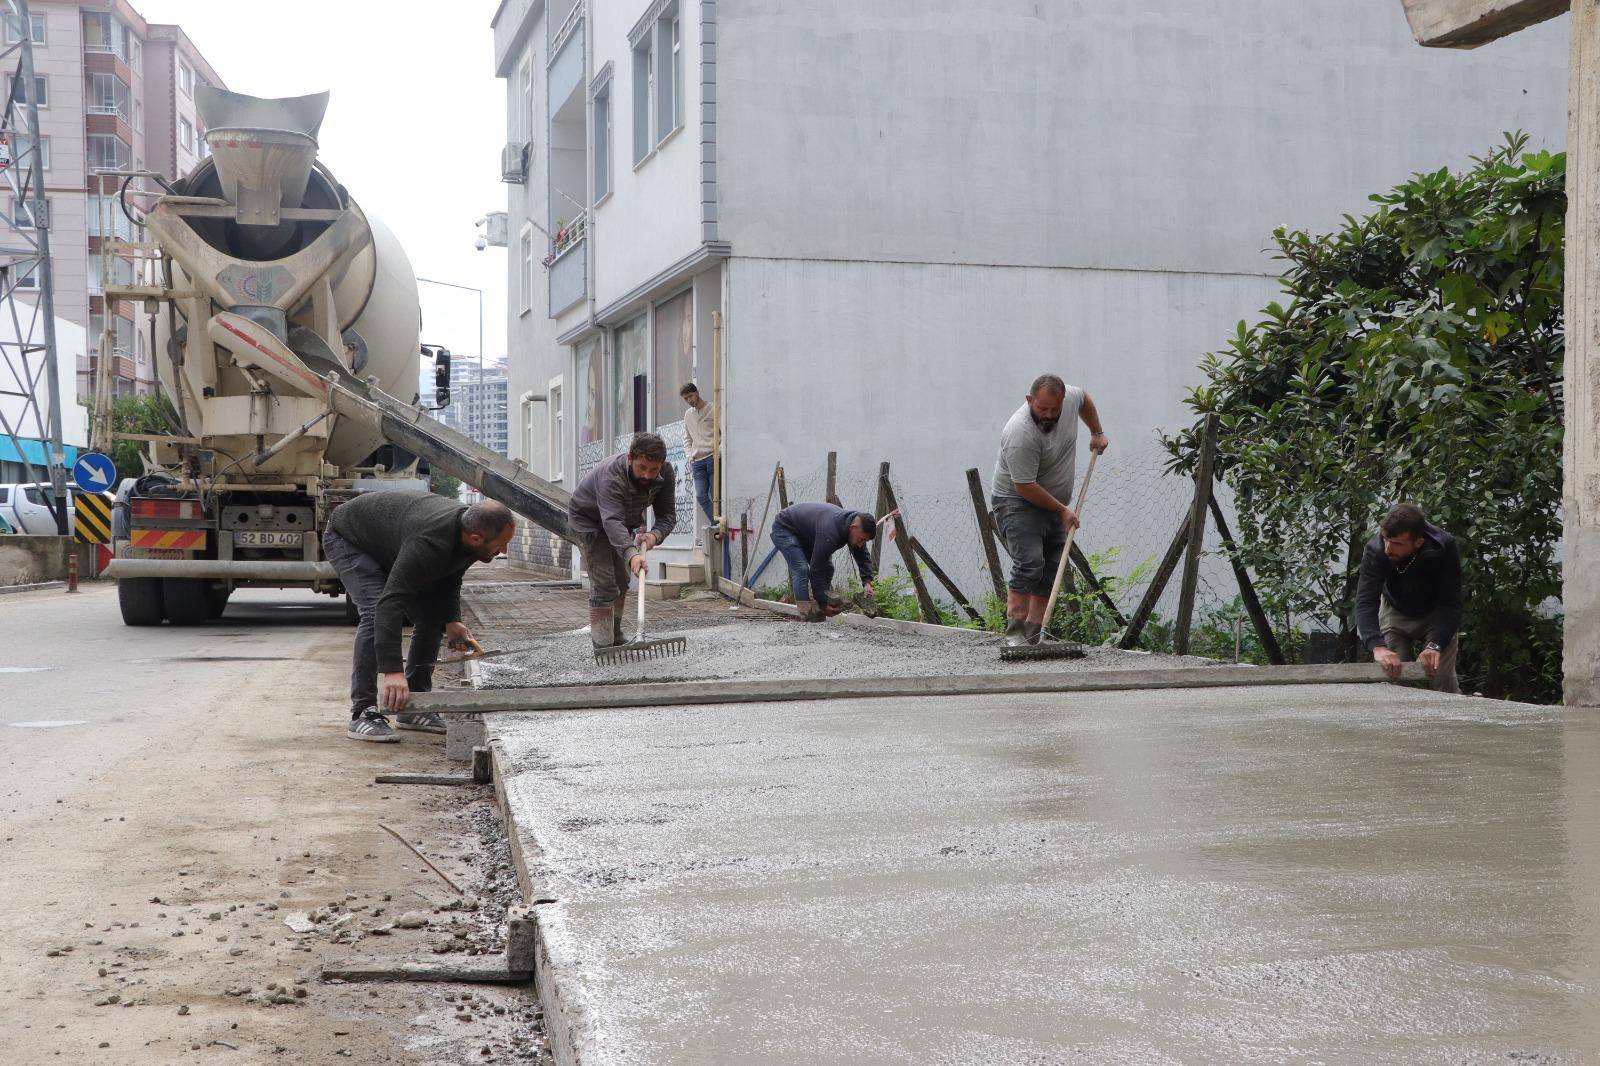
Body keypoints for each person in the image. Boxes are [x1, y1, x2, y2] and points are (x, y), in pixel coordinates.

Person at [322, 492, 515, 743]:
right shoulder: (429, 541)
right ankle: (363, 712)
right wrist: (392, 671)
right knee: (374, 610)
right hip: (350, 539)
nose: (504, 550)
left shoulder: (469, 534)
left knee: (431, 616)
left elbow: (450, 575)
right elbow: (390, 604)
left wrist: (451, 619)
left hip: (392, 541)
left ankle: (414, 706)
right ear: (476, 538)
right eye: (502, 543)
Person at [990, 373, 1109, 647]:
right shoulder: (1019, 433)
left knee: (1053, 566)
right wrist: (1062, 511)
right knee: (1030, 562)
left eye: (1054, 409)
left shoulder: (1070, 399)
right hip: (1016, 501)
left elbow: (1084, 400)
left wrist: (1097, 432)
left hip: (1053, 502)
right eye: (1043, 408)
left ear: (1062, 400)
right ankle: (1014, 635)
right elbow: (1025, 487)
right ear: (1029, 400)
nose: (1049, 414)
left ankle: (1034, 635)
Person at [569, 432, 677, 651]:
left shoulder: (665, 473)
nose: (647, 475)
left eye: (653, 470)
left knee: (621, 581)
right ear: (630, 458)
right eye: (642, 468)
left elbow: (667, 516)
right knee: (605, 584)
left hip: (620, 523)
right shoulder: (612, 476)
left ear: (662, 464)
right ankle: (602, 644)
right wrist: (632, 554)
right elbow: (611, 521)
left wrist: (655, 535)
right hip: (589, 521)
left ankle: (616, 635)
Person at [1355, 502, 1463, 693]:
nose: (1388, 548)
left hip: (1436, 612)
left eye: (1397, 544)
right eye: (1386, 539)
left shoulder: (1444, 546)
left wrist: (1435, 645)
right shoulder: (1375, 549)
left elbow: (1451, 603)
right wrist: (1377, 646)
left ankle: (1448, 720)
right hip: (1394, 609)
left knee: (1442, 678)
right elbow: (1365, 601)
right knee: (1393, 676)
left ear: (1418, 543)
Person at [770, 502, 876, 621]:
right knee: (801, 569)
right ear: (853, 527)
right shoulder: (830, 531)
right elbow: (816, 570)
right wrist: (822, 602)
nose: (861, 544)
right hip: (784, 528)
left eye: (865, 541)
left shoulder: (853, 527)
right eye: (861, 539)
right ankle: (806, 614)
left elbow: (863, 556)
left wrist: (867, 583)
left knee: (828, 568)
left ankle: (821, 609)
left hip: (805, 533)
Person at [681, 383, 716, 525]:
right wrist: (690, 456)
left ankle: (719, 527)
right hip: (697, 462)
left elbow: (724, 431)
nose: (689, 401)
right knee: (701, 496)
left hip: (713, 458)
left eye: (690, 396)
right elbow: (686, 438)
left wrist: (718, 451)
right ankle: (716, 525)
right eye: (686, 399)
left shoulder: (713, 408)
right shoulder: (688, 415)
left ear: (697, 392)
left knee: (716, 497)